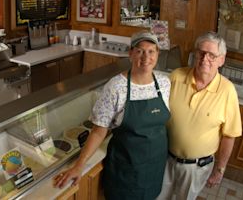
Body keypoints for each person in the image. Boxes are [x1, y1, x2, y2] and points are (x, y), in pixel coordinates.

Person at [53, 31, 171, 200]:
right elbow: (98, 131)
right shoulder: (116, 87)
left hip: (155, 167)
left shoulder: (164, 84)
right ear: (130, 53)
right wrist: (79, 165)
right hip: (126, 170)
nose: (146, 57)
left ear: (158, 54)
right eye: (140, 51)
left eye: (151, 51)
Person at [157, 31, 242, 200]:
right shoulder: (176, 76)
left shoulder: (227, 91)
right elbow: (157, 113)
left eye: (212, 55)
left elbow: (229, 136)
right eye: (201, 53)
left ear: (221, 60)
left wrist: (220, 169)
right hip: (164, 159)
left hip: (195, 168)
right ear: (195, 54)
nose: (205, 59)